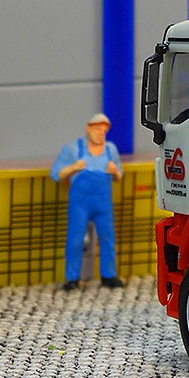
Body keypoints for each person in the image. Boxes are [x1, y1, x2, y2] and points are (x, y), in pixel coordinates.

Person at [51, 113, 124, 291]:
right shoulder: (73, 149)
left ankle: (108, 275)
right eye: (97, 129)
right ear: (88, 129)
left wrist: (115, 172)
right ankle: (72, 278)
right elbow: (56, 174)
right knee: (75, 239)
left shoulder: (110, 149)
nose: (101, 133)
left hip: (103, 203)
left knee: (107, 238)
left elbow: (119, 176)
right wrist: (73, 167)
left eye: (104, 131)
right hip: (80, 204)